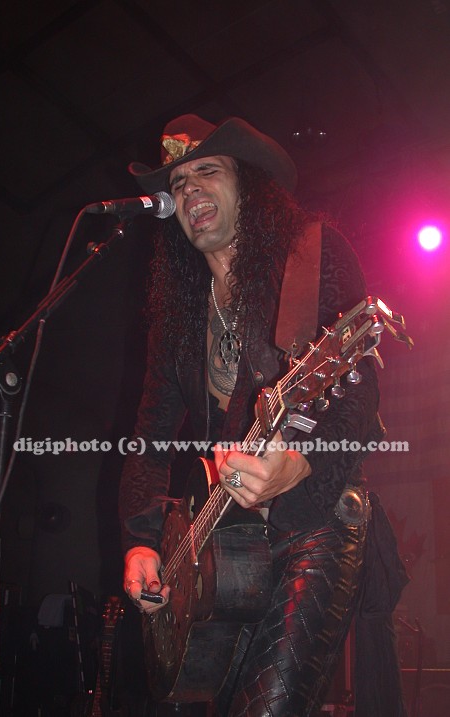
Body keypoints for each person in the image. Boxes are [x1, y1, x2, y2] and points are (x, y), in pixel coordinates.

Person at [118, 115, 408, 716]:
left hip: (316, 523)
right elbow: (148, 439)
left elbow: (360, 394)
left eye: (207, 171)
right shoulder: (179, 316)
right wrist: (141, 543)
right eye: (179, 182)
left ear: (248, 184)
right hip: (223, 551)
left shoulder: (310, 255)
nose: (190, 190)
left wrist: (300, 462)